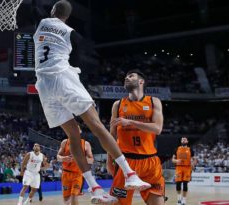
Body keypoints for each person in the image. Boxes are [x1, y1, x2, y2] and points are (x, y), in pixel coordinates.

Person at [32, 0, 150, 203]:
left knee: (73, 135)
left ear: (52, 11)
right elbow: (80, 56)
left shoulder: (41, 23)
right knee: (96, 126)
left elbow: (38, 9)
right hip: (62, 77)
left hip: (42, 84)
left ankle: (94, 187)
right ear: (67, 17)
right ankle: (130, 174)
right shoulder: (70, 32)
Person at [107, 70, 165, 205]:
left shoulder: (153, 101)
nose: (126, 77)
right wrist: (109, 159)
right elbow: (111, 136)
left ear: (141, 81)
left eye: (131, 76)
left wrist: (131, 122)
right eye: (125, 76)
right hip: (125, 162)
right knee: (118, 203)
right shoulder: (118, 104)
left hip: (150, 162)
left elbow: (157, 128)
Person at [57, 129, 94, 205]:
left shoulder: (85, 144)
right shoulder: (65, 142)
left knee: (74, 196)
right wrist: (63, 158)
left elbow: (91, 160)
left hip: (77, 174)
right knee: (66, 200)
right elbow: (58, 157)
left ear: (80, 132)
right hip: (66, 174)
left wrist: (80, 158)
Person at [172, 137, 196, 205]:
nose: (183, 140)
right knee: (178, 184)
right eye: (182, 139)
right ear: (181, 141)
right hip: (178, 168)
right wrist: (176, 160)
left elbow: (194, 159)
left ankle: (184, 200)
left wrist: (193, 164)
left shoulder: (190, 149)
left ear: (187, 141)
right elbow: (173, 159)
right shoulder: (177, 149)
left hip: (187, 168)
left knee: (185, 184)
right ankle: (179, 199)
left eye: (185, 139)